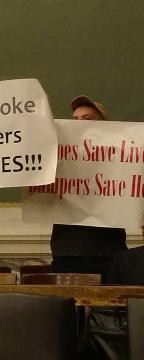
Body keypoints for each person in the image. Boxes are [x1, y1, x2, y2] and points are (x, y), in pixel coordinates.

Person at [50, 95, 127, 283]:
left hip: (106, 250)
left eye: (87, 118)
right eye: (75, 119)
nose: (79, 123)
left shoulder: (123, 154)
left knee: (105, 309)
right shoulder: (58, 155)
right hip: (66, 250)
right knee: (66, 310)